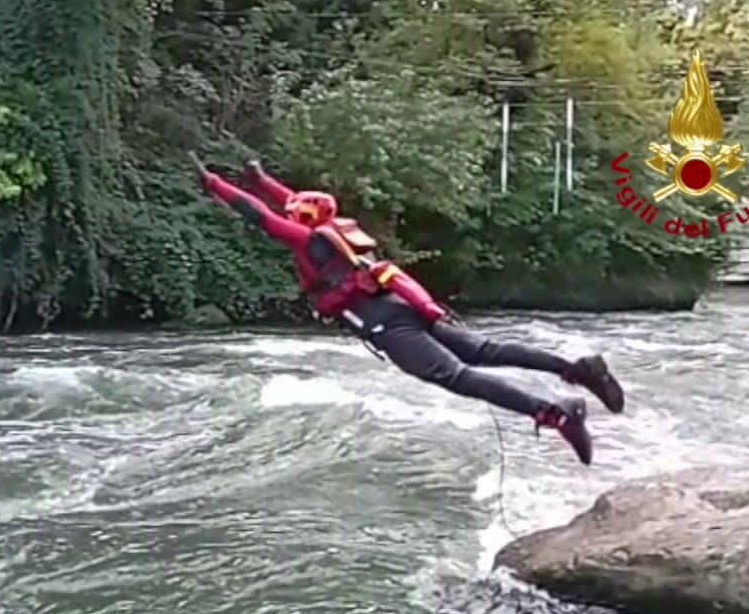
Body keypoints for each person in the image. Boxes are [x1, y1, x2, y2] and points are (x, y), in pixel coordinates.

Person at [191, 154, 625, 465]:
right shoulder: (332, 230)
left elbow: (262, 218)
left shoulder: (310, 241)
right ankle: (577, 369)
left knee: (457, 376)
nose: (292, 211)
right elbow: (285, 202)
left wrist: (217, 186)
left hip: (385, 323)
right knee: (481, 351)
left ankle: (554, 413)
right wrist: (261, 177)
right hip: (402, 303)